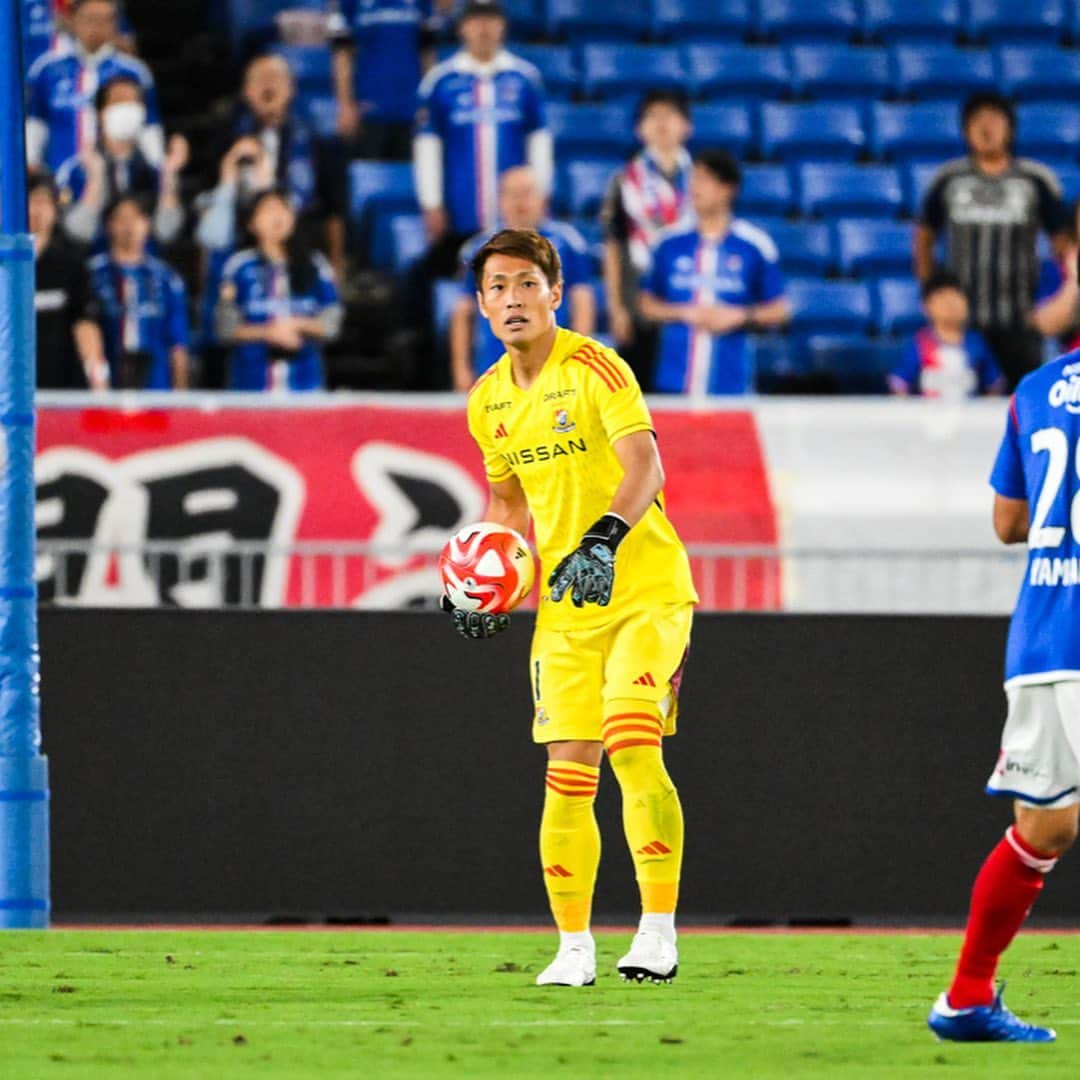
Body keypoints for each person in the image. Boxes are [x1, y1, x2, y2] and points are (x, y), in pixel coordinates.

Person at [443, 228, 698, 987]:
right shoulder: (487, 400)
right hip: (565, 611)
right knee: (566, 771)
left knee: (631, 742)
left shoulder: (595, 366)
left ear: (555, 292)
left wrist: (603, 541)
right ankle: (574, 946)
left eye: (527, 283)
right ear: (482, 304)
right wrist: (481, 576)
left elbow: (646, 465)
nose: (513, 299)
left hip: (645, 590)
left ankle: (657, 931)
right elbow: (507, 501)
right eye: (497, 287)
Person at [925, 314, 1080, 1043]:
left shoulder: (1037, 387)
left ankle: (965, 997)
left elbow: (1007, 521)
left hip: (1045, 636)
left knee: (1044, 827)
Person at [914, 92, 1071, 391]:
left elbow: (1062, 243)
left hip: (1020, 322)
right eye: (977, 121)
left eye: (994, 120)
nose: (986, 128)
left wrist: (1053, 297)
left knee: (1025, 406)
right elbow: (924, 237)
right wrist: (932, 292)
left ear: (1010, 128)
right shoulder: (949, 179)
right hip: (963, 325)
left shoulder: (1035, 179)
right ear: (965, 129)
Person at [413, 0, 550, 271]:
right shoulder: (441, 81)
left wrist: (541, 193)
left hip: (515, 212)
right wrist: (432, 202)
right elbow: (427, 147)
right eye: (475, 21)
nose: (483, 29)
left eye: (491, 21)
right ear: (462, 27)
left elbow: (539, 143)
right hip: (460, 208)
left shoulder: (525, 79)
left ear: (503, 27)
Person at [638, 150, 789, 396]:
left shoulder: (755, 245)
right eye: (693, 179)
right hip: (673, 383)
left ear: (727, 189)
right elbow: (646, 305)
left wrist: (738, 316)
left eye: (704, 180)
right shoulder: (668, 243)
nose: (694, 188)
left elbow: (780, 310)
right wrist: (684, 313)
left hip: (731, 385)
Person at [196, 54, 344, 279]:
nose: (268, 85)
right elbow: (207, 205)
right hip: (241, 242)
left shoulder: (314, 140)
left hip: (300, 245)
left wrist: (336, 263)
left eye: (275, 77)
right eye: (259, 79)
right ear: (246, 92)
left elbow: (333, 208)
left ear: (291, 89)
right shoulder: (226, 140)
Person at [450, 166, 594, 391]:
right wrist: (460, 367)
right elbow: (463, 312)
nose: (520, 202)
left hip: (554, 364)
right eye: (512, 194)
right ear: (500, 200)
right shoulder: (479, 249)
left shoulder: (568, 243)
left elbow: (582, 302)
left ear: (543, 199)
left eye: (527, 193)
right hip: (495, 367)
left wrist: (576, 361)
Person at [601, 90, 695, 387]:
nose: (662, 123)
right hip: (637, 303)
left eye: (670, 115)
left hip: (689, 300)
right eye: (652, 116)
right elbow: (613, 246)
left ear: (687, 126)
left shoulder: (701, 180)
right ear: (639, 129)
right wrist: (616, 309)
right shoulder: (624, 181)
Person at [215, 188, 342, 392]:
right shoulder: (238, 267)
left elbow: (332, 324)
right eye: (268, 209)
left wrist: (296, 324)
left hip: (304, 387)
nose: (277, 215)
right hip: (250, 387)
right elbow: (225, 328)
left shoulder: (316, 266)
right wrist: (267, 333)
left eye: (283, 208)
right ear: (251, 223)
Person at [26, 0, 162, 175]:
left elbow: (150, 129)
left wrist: (158, 170)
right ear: (72, 20)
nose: (96, 27)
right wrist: (31, 168)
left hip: (119, 183)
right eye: (90, 19)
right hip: (59, 177)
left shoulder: (133, 72)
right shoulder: (47, 70)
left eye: (104, 19)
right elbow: (35, 126)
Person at [55, 74, 187, 251]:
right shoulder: (77, 171)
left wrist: (169, 174)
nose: (127, 107)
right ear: (101, 113)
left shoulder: (155, 171)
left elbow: (166, 232)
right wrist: (96, 179)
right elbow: (78, 233)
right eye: (119, 100)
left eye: (134, 102)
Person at [87, 194, 189, 390]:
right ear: (109, 225)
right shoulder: (92, 275)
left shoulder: (167, 278)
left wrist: (181, 396)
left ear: (147, 224)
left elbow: (177, 344)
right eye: (122, 219)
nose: (129, 226)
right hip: (106, 389)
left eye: (136, 218)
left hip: (156, 391)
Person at [328, 0, 443, 161]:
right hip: (367, 111)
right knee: (367, 179)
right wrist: (345, 106)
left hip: (412, 111)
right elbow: (342, 55)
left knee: (409, 181)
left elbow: (428, 54)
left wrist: (427, 104)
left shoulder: (422, 3)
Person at [29, 172, 108, 390]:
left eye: (42, 201)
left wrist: (98, 381)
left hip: (61, 389)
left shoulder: (71, 264)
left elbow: (84, 323)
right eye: (26, 201)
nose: (34, 210)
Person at [889, 270, 1004, 399]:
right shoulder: (919, 343)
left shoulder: (977, 342)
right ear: (925, 306)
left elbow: (995, 383)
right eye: (942, 298)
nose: (950, 304)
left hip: (969, 416)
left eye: (956, 296)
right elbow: (899, 383)